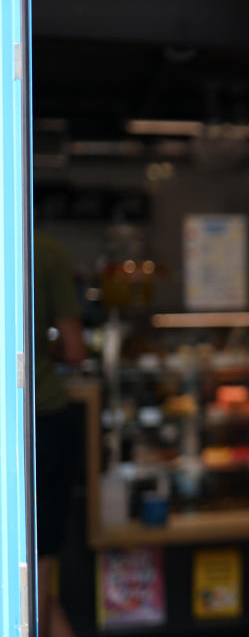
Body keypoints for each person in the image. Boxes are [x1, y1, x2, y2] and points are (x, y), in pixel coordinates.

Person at [34, 232, 86, 637]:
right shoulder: (46, 250)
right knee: (38, 566)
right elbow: (74, 349)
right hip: (43, 416)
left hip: (27, 420)